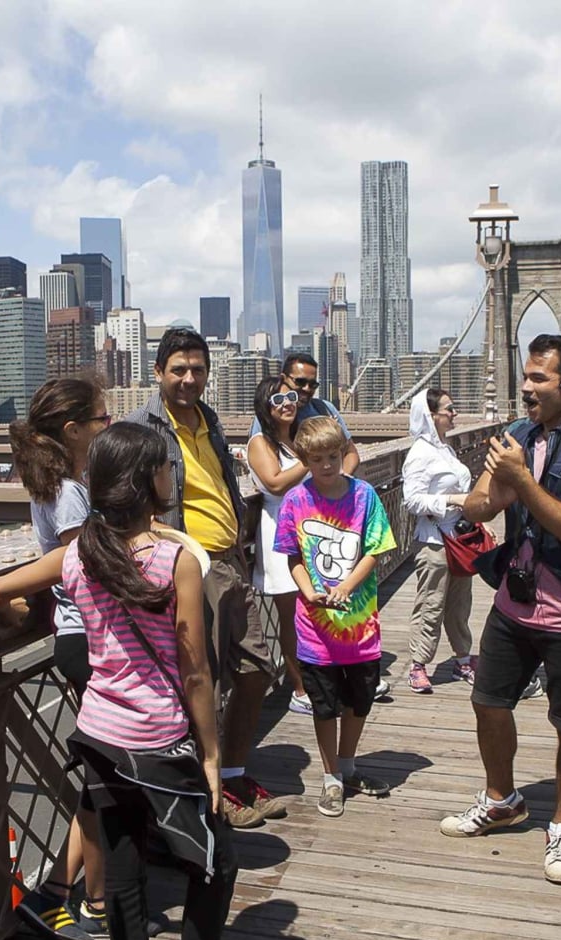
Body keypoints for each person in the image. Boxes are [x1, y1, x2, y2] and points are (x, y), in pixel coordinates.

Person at [440, 334, 561, 888]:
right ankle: (502, 799)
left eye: (538, 379)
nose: (525, 388)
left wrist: (522, 480)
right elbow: (478, 506)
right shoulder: (518, 436)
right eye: (524, 376)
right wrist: (494, 488)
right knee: (487, 702)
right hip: (514, 602)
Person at [63, 423, 236, 940]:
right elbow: (195, 671)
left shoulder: (80, 553)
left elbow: (21, 581)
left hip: (97, 733)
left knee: (123, 868)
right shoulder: (172, 561)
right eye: (166, 466)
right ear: (149, 480)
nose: (173, 474)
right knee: (215, 863)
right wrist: (211, 753)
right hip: (158, 738)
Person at [125, 327, 285, 829]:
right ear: (158, 373)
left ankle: (232, 772)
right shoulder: (143, 428)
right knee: (206, 681)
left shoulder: (210, 421)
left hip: (231, 560)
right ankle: (207, 791)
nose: (189, 378)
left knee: (259, 666)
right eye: (179, 370)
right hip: (191, 564)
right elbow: (120, 499)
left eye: (197, 369)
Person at [3, 377, 112, 940]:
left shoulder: (54, 485)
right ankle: (89, 900)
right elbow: (77, 564)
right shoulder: (69, 490)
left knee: (101, 774)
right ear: (73, 430)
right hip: (89, 640)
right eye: (101, 420)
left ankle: (61, 890)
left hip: (76, 638)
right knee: (104, 776)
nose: (107, 428)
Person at [274, 417, 397, 817]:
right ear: (303, 459)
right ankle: (330, 776)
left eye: (333, 456)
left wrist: (346, 586)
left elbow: (375, 548)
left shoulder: (364, 496)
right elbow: (292, 555)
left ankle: (348, 765)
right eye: (317, 459)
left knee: (359, 702)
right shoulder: (295, 501)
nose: (327, 465)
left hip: (360, 628)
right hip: (315, 630)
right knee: (324, 705)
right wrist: (309, 592)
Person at [400, 388, 476, 694]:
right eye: (449, 409)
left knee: (460, 605)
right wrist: (454, 499)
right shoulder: (419, 453)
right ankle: (418, 665)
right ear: (431, 416)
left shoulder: (446, 448)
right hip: (434, 543)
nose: (454, 413)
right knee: (430, 605)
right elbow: (412, 501)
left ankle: (463, 660)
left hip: (458, 540)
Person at [246, 375, 312, 714]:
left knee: (314, 612)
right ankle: (299, 689)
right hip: (280, 533)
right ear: (265, 408)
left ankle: (316, 679)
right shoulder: (261, 443)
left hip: (312, 532)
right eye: (277, 400)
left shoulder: (300, 438)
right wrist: (311, 460)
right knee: (292, 617)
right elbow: (273, 484)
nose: (286, 403)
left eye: (289, 396)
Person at [249, 352, 361, 474]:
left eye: (313, 384)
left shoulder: (324, 409)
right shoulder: (267, 417)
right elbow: (268, 472)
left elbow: (351, 453)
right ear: (283, 379)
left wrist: (339, 481)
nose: (307, 388)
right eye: (300, 382)